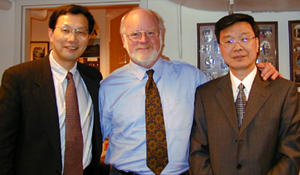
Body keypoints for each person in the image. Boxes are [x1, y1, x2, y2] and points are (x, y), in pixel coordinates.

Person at [99, 8, 280, 175]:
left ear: (161, 36)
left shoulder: (191, 77)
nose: (143, 40)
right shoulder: (108, 87)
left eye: (150, 33)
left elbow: (226, 96)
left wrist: (256, 72)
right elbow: (92, 141)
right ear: (123, 40)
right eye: (135, 34)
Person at [189, 13, 300, 175]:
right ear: (220, 48)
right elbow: (198, 152)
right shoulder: (205, 94)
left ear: (257, 43)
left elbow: (291, 152)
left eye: (245, 39)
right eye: (229, 41)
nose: (238, 47)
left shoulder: (284, 91)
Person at [0, 4, 103, 175]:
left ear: (89, 37)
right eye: (65, 30)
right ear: (50, 34)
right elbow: (3, 144)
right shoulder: (19, 78)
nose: (72, 38)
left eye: (81, 32)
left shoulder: (93, 77)